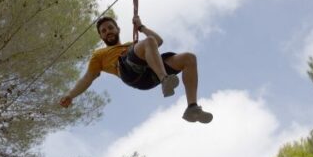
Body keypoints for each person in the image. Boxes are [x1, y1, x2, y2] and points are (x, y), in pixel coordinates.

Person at [59, 15, 213, 123]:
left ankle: (192, 108)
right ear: (101, 37)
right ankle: (165, 79)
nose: (108, 32)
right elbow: (88, 78)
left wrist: (141, 27)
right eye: (104, 31)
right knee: (148, 43)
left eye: (110, 28)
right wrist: (71, 95)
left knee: (189, 58)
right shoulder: (99, 55)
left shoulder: (131, 45)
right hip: (129, 72)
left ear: (117, 29)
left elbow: (158, 41)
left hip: (148, 74)